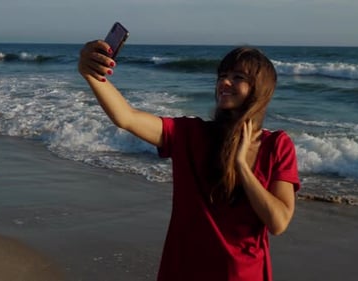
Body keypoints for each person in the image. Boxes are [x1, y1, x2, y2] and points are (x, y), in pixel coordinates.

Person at [78, 41, 300, 281]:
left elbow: (278, 222)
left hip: (242, 275)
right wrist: (90, 73)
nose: (224, 82)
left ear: (260, 89)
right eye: (222, 76)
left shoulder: (277, 146)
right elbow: (127, 118)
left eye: (237, 77)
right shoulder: (190, 134)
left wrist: (242, 167)